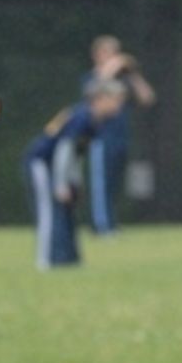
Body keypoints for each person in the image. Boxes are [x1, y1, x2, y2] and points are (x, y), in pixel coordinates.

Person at [24, 79, 128, 270]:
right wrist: (60, 184)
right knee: (47, 211)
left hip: (57, 168)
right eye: (115, 99)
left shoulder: (95, 122)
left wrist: (75, 182)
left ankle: (67, 259)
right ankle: (44, 261)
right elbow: (63, 151)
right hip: (41, 163)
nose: (119, 105)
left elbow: (77, 155)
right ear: (99, 99)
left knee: (65, 213)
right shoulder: (82, 117)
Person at [82, 34, 156, 235]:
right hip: (100, 139)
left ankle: (111, 221)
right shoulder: (92, 78)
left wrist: (132, 74)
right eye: (109, 53)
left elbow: (147, 98)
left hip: (121, 138)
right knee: (101, 183)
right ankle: (101, 225)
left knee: (115, 183)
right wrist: (111, 69)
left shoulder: (123, 81)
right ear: (97, 55)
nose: (114, 57)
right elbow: (93, 94)